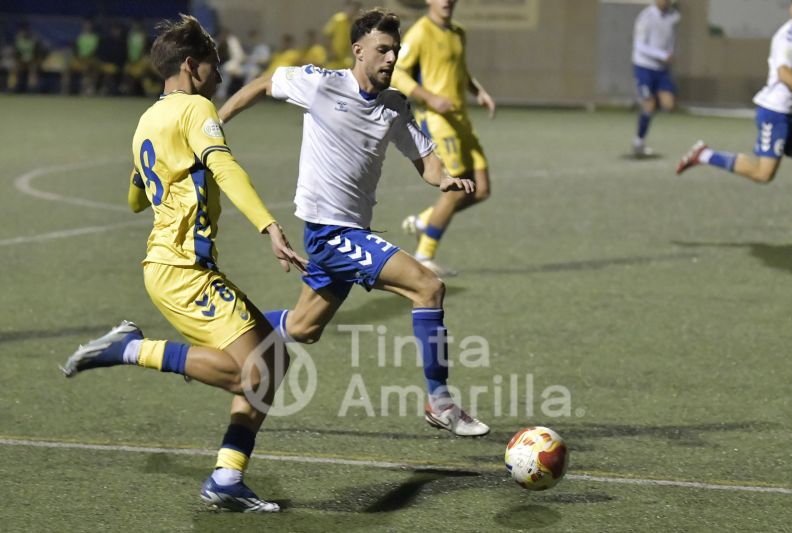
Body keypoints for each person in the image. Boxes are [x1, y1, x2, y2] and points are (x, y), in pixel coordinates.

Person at [61, 14, 305, 513]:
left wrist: (163, 181)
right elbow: (224, 165)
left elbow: (135, 198)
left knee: (274, 359)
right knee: (254, 372)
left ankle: (227, 476)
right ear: (192, 67)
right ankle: (130, 350)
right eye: (215, 68)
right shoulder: (196, 109)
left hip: (170, 268)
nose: (220, 78)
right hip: (183, 271)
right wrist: (269, 226)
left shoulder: (148, 119)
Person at [218, 7, 490, 437]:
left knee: (303, 328)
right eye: (382, 50)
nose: (390, 59)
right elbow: (265, 82)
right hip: (330, 234)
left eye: (395, 51)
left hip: (351, 233)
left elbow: (426, 161)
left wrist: (445, 179)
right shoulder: (322, 84)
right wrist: (218, 122)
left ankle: (226, 330)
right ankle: (440, 400)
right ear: (358, 50)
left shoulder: (394, 105)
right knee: (428, 286)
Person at [390, 0, 495, 277]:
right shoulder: (420, 33)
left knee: (481, 189)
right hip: (437, 121)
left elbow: (460, 70)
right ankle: (424, 256)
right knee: (457, 188)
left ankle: (423, 220)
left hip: (461, 120)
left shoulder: (458, 32)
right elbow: (397, 73)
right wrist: (430, 98)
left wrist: (478, 91)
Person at [677, 0, 792, 190]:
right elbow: (784, 73)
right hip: (775, 113)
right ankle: (704, 155)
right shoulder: (789, 36)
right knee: (763, 174)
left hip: (789, 113)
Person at [631, 0, 680, 157]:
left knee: (669, 104)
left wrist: (669, 54)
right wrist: (663, 55)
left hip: (661, 69)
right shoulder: (645, 17)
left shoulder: (674, 16)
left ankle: (647, 105)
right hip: (644, 66)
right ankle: (638, 141)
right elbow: (639, 46)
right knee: (649, 106)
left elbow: (670, 39)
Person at [62, 18, 101, 95]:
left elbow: (96, 50)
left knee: (89, 68)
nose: (86, 26)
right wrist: (78, 57)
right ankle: (65, 90)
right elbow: (76, 49)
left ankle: (88, 89)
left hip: (90, 60)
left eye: (88, 25)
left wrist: (87, 58)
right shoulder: (80, 37)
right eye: (85, 25)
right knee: (67, 68)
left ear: (92, 26)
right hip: (80, 59)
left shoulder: (95, 38)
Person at [323, 0, 361, 69]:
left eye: (356, 9)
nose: (354, 11)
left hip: (346, 61)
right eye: (352, 8)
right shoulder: (338, 19)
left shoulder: (354, 24)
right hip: (334, 60)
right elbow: (327, 36)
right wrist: (331, 52)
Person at [8, 22, 44, 92]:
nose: (23, 33)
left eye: (25, 31)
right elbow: (15, 53)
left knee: (33, 69)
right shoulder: (18, 40)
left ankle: (32, 88)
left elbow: (38, 52)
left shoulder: (34, 40)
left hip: (32, 61)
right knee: (14, 68)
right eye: (22, 31)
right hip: (20, 61)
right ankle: (12, 86)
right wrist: (18, 59)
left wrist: (37, 60)